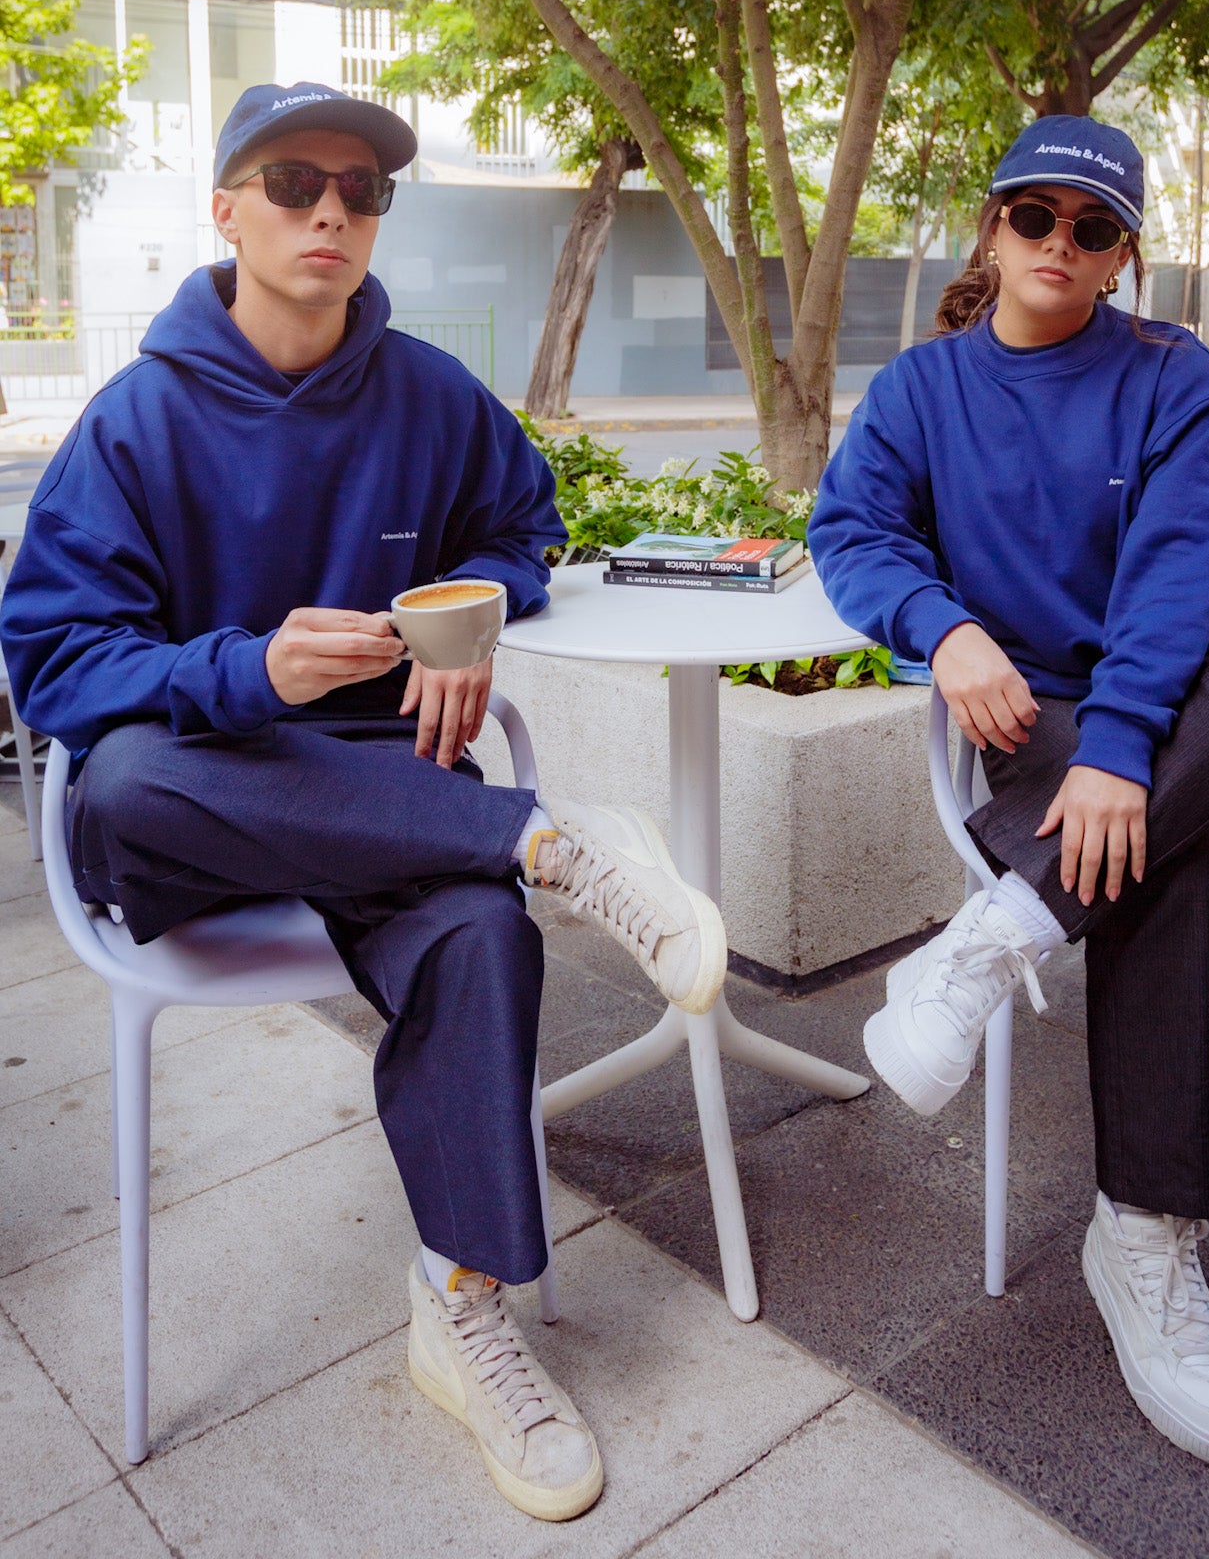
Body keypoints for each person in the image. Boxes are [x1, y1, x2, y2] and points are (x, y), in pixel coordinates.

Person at [1, 81, 727, 1524]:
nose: (330, 210)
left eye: (362, 189)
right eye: (293, 183)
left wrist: (464, 619)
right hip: (198, 809)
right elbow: (54, 663)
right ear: (227, 210)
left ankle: (461, 1307)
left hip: (388, 800)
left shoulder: (429, 394)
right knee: (131, 775)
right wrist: (246, 668)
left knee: (481, 934)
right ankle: (547, 843)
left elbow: (525, 528)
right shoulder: (135, 421)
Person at [807, 113, 1209, 1471]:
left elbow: (1175, 576)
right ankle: (1142, 1236)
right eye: (1034, 215)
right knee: (1165, 870)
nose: (1058, 242)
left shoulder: (1172, 375)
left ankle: (991, 944)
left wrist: (1121, 750)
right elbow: (850, 529)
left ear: (1120, 257)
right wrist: (943, 628)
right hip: (1036, 709)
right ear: (992, 227)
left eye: (1092, 228)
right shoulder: (922, 390)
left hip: (1198, 696)